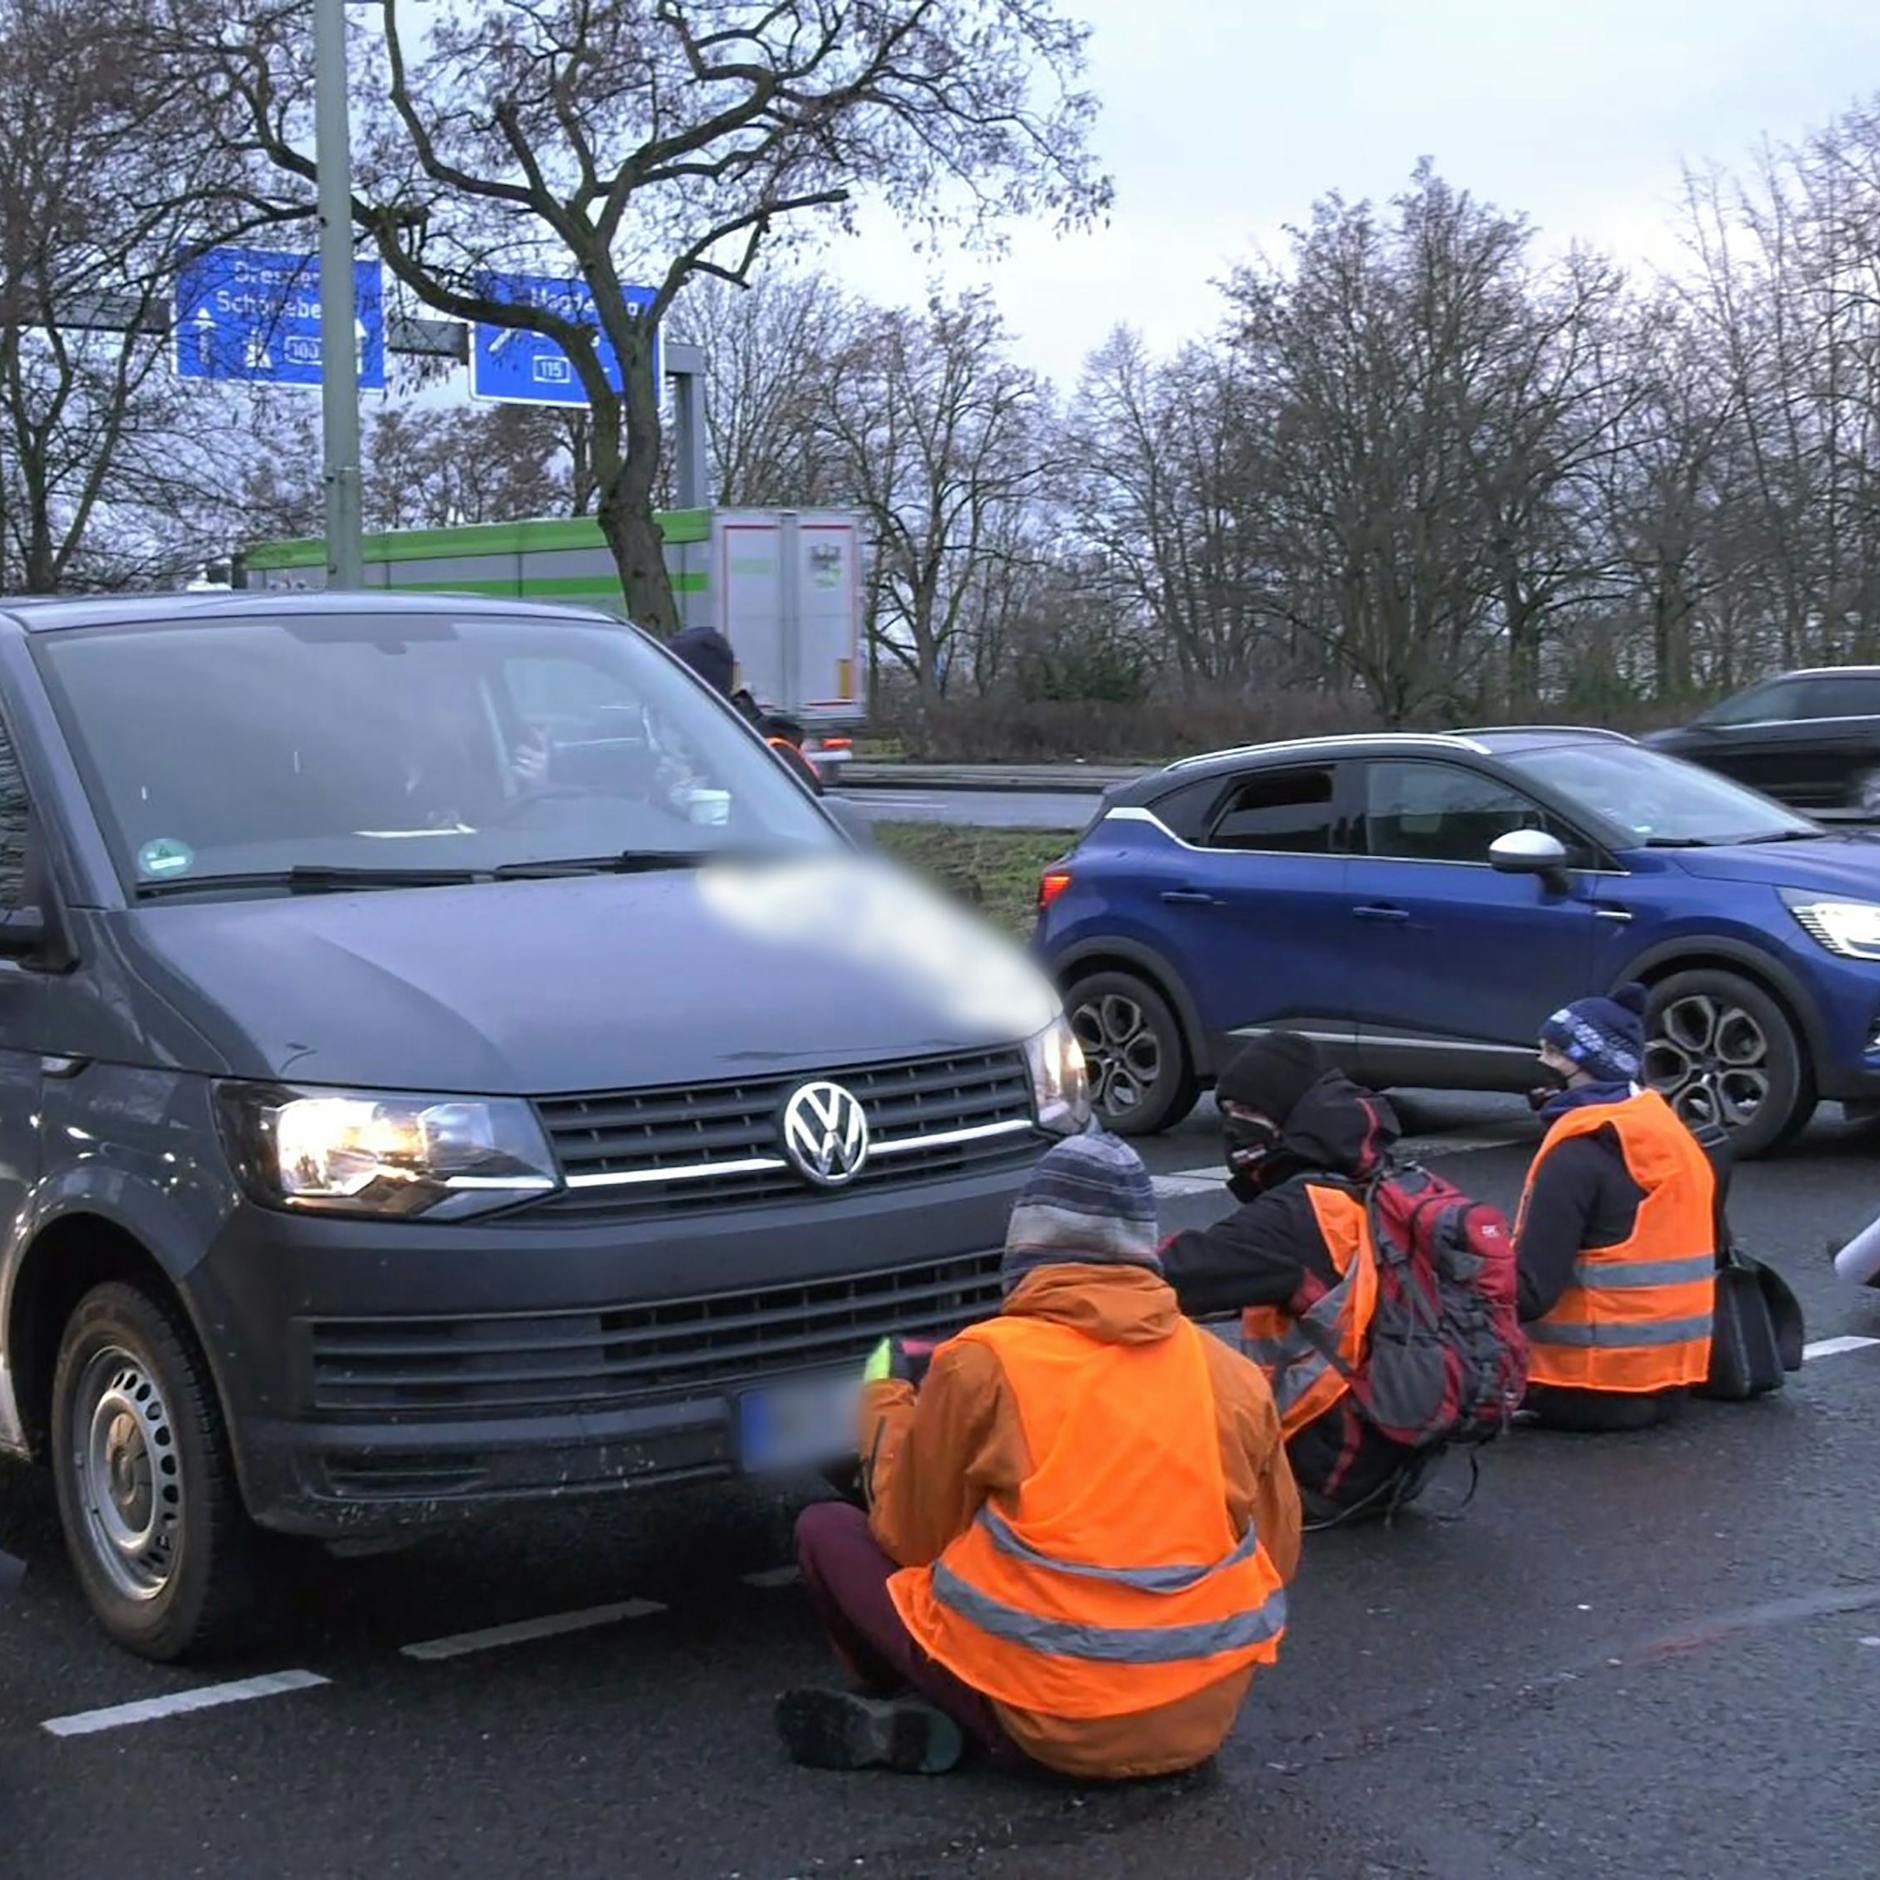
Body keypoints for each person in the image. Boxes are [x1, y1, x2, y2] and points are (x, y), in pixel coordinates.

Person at [779, 1131, 1300, 1779]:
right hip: (1200, 1717)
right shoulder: (1229, 1375)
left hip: (1050, 1725)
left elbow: (912, 1536)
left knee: (826, 1530)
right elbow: (1276, 1554)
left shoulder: (986, 1361)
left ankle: (936, 1706)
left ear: (1026, 1244)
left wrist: (884, 1397)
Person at [1159, 1034, 1524, 1523]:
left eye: (1244, 1110)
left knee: (1146, 1344)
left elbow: (1175, 1274)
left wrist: (1062, 1261)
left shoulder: (1302, 1212)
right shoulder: (1389, 1181)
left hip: (1322, 1473)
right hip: (1398, 1461)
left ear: (1284, 1115)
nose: (1232, 1128)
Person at [1515, 986, 1716, 1431]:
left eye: (1553, 1052)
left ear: (1587, 1064)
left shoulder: (1578, 1152)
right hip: (1670, 1381)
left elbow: (1529, 1294)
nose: (1540, 1063)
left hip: (1583, 1383)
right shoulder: (1669, 1136)